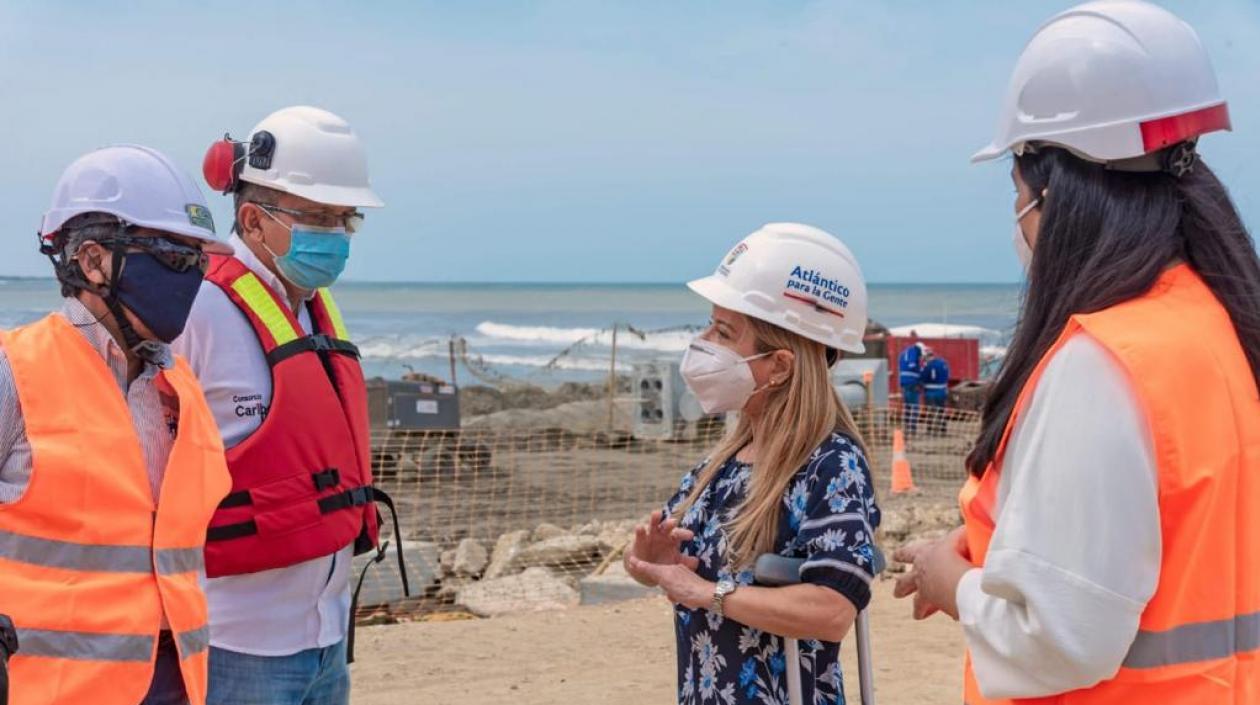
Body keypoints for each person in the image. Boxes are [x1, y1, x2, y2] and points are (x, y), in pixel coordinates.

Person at [894, 2, 1260, 702]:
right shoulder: (1217, 324)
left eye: (1018, 191)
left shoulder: (1102, 364)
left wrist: (954, 583)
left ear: (1055, 190)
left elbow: (1062, 637)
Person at [0, 145, 234, 705]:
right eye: (173, 256)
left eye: (198, 261)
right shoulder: (15, 371)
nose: (191, 277)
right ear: (92, 260)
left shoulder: (180, 388)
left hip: (176, 681)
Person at [173, 106, 391, 705]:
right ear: (252, 219)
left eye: (346, 218)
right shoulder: (198, 311)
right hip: (235, 643)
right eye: (319, 217)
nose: (337, 235)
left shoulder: (311, 307)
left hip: (327, 638)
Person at [624, 223, 881, 705]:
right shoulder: (721, 464)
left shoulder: (831, 465)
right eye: (710, 326)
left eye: (723, 333)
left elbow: (832, 610)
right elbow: (656, 566)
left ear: (779, 366)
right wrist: (649, 561)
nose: (703, 342)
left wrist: (707, 593)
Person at [919, 347, 949, 436]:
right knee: (941, 411)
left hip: (930, 392)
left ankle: (930, 430)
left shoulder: (927, 366)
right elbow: (947, 375)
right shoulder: (943, 363)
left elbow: (923, 378)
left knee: (930, 412)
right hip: (942, 391)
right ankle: (943, 430)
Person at [897, 340, 925, 434]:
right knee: (914, 407)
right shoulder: (914, 351)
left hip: (904, 382)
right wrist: (921, 369)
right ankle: (912, 428)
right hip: (912, 382)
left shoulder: (904, 353)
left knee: (907, 406)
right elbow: (912, 365)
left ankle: (907, 427)